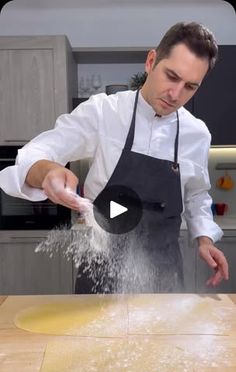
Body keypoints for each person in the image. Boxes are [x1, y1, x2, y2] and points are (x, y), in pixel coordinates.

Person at [0, 21, 229, 293]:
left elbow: (196, 195)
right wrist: (48, 171)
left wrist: (205, 239)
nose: (176, 94)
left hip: (163, 272)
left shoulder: (196, 133)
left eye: (190, 86)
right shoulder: (104, 113)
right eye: (171, 76)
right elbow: (34, 154)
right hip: (103, 266)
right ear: (151, 61)